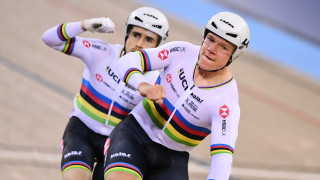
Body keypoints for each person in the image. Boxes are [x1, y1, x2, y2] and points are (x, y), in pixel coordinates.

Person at [103, 12, 250, 180]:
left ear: (234, 55)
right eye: (210, 39)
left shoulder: (226, 101)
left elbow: (222, 159)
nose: (211, 50)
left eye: (223, 47)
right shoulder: (181, 52)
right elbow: (127, 60)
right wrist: (141, 84)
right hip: (133, 135)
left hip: (172, 161)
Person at [42, 7, 169, 180]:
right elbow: (50, 39)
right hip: (82, 131)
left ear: (157, 46)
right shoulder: (102, 52)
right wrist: (84, 25)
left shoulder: (156, 79)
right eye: (136, 35)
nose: (139, 43)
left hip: (119, 144)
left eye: (149, 39)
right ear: (126, 34)